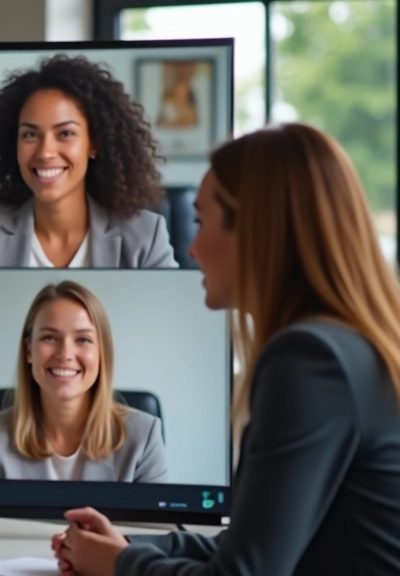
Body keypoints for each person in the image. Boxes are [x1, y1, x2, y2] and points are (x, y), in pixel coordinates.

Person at [54, 123, 400, 575]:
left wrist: (121, 565)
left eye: (201, 221)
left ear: (257, 230)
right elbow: (253, 544)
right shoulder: (346, 347)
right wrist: (126, 545)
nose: (192, 249)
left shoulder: (311, 361)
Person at [0, 54, 177, 269]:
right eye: (30, 134)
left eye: (65, 133)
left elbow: (167, 310)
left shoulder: (146, 234)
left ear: (94, 144)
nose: (45, 152)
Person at [0, 280, 166, 482]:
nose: (65, 354)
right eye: (49, 338)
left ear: (102, 353)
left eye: (83, 339)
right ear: (29, 350)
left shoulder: (144, 438)